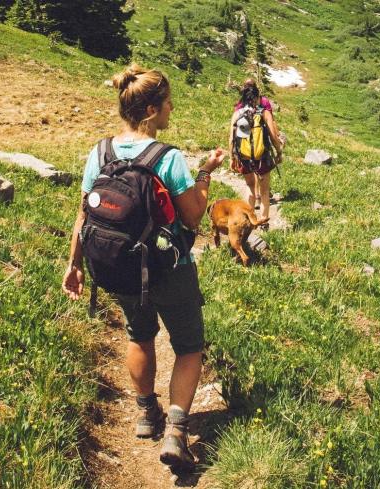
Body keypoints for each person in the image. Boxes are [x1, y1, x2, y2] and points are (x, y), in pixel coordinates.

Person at [62, 64, 226, 470]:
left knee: (139, 335)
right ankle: (175, 429)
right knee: (189, 347)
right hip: (170, 268)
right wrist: (205, 174)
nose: (172, 109)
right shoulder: (167, 158)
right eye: (168, 103)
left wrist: (74, 265)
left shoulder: (100, 152)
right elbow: (192, 217)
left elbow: (84, 213)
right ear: (152, 109)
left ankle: (144, 412)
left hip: (118, 268)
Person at [229, 82, 283, 221]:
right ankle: (264, 221)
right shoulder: (264, 113)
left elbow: (231, 139)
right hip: (262, 157)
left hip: (244, 157)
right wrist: (279, 152)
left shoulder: (237, 114)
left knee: (250, 186)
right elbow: (273, 136)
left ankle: (249, 220)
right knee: (264, 192)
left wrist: (231, 158)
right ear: (258, 97)